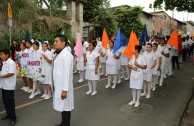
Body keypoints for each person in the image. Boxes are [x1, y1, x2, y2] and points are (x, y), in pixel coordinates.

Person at [52, 35, 74, 126]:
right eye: (54, 41)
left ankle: (65, 124)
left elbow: (66, 74)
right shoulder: (59, 54)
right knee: (62, 107)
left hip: (64, 87)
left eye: (56, 41)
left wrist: (64, 90)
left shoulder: (67, 55)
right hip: (58, 85)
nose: (54, 43)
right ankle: (63, 123)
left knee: (66, 108)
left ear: (63, 43)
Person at [0, 49, 17, 126]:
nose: (0, 56)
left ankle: (13, 118)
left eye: (1, 54)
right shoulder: (4, 62)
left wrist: (1, 76)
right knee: (5, 101)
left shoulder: (11, 63)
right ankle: (8, 114)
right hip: (4, 85)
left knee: (10, 102)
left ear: (7, 55)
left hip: (9, 86)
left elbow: (11, 73)